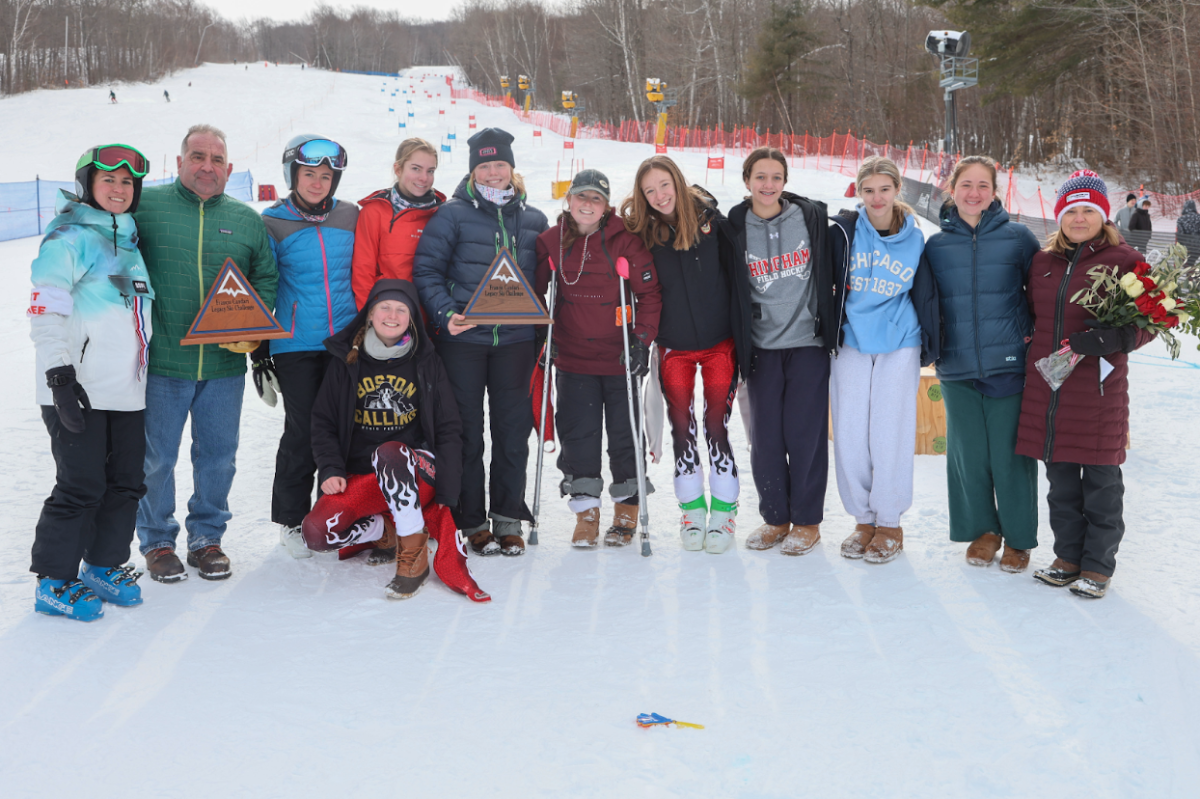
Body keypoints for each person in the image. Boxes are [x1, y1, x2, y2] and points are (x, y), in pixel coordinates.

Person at [134, 124, 278, 582]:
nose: (207, 167)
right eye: (198, 157)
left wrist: (252, 326)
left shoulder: (246, 219)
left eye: (217, 160)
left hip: (223, 365)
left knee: (218, 455)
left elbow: (265, 278)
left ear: (229, 169)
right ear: (178, 163)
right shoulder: (147, 207)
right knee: (156, 458)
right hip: (162, 362)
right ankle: (158, 541)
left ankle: (206, 538)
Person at [27, 144, 154, 621]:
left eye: (127, 182)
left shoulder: (130, 245)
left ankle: (102, 565)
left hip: (127, 390)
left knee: (125, 484)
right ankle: (53, 581)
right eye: (109, 181)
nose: (118, 189)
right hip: (76, 388)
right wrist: (59, 376)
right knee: (80, 485)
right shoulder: (71, 238)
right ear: (88, 185)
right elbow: (45, 309)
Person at [304, 279, 488, 602]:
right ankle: (384, 531)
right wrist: (331, 468)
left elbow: (448, 427)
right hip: (367, 474)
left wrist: (448, 487)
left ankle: (413, 554)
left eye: (401, 309)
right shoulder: (347, 361)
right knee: (317, 533)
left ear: (412, 317)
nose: (392, 315)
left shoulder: (426, 360)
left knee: (390, 453)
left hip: (418, 471)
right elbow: (323, 422)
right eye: (384, 307)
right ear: (370, 314)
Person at [412, 127, 548, 557]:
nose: (493, 173)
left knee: (512, 431)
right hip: (464, 341)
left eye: (500, 164)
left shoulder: (533, 219)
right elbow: (426, 271)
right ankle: (472, 520)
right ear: (473, 170)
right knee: (467, 432)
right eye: (484, 165)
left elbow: (545, 282)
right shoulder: (452, 215)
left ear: (511, 168)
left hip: (515, 342)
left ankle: (508, 519)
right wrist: (446, 314)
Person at [1018, 170, 1151, 599]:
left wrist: (1117, 337)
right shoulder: (1042, 263)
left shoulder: (1125, 261)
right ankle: (1067, 558)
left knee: (1101, 485)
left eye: (1088, 211)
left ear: (1103, 216)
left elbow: (1153, 319)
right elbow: (1030, 317)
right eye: (1071, 211)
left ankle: (1097, 565)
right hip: (1050, 388)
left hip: (1097, 390)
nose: (1078, 219)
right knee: (1060, 484)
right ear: (1059, 216)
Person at [621, 155, 750, 553]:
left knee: (715, 425)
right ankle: (692, 511)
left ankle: (724, 512)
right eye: (649, 190)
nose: (659, 196)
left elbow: (739, 273)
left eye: (664, 185)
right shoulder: (642, 233)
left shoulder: (714, 224)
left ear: (677, 182)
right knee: (682, 429)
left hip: (719, 343)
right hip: (674, 345)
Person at [922, 156, 1041, 571]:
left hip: (1008, 363)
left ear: (995, 192)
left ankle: (1019, 538)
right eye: (966, 184)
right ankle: (984, 532)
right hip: (956, 366)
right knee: (967, 455)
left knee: (1011, 455)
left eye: (983, 186)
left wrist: (1033, 339)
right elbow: (925, 302)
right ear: (952, 189)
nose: (974, 193)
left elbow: (1039, 295)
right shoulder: (935, 245)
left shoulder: (1019, 238)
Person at [535, 170, 662, 548]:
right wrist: (543, 337)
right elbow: (534, 291)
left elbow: (650, 294)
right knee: (578, 435)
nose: (587, 205)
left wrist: (641, 341)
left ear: (606, 206)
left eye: (596, 199)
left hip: (619, 358)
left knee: (624, 435)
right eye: (581, 198)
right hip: (573, 358)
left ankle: (627, 510)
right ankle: (586, 511)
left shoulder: (626, 242)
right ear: (569, 200)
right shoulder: (551, 241)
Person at [827, 157, 939, 565]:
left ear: (897, 191)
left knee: (889, 431)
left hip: (900, 341)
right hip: (852, 341)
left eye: (884, 189)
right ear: (860, 193)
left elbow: (924, 292)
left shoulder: (915, 238)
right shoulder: (843, 232)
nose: (877, 198)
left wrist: (931, 341)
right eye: (869, 190)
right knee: (851, 431)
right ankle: (864, 519)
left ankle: (889, 521)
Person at [727, 147, 836, 556]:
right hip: (761, 348)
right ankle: (776, 517)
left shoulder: (809, 217)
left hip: (807, 342)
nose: (768, 184)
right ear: (747, 181)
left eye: (775, 177)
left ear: (785, 181)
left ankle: (807, 521)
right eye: (760, 177)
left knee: (805, 435)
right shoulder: (735, 224)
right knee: (765, 438)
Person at [258, 136, 358, 560]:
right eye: (308, 174)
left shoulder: (351, 215)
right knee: (303, 429)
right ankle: (291, 520)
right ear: (292, 176)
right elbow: (262, 283)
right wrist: (259, 350)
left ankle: (333, 514)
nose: (318, 182)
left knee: (347, 430)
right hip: (296, 342)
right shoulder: (273, 221)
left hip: (347, 342)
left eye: (325, 175)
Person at [352, 138, 444, 307]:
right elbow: (362, 272)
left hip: (429, 317)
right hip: (388, 315)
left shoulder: (442, 214)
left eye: (430, 171)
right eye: (416, 169)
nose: (424, 178)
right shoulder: (375, 212)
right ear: (398, 169)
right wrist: (369, 317)